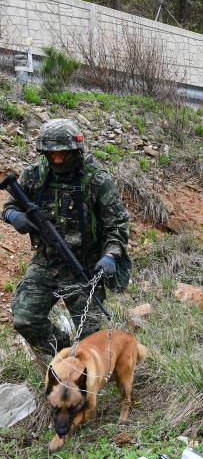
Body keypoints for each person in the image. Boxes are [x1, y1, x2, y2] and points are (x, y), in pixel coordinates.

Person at [3, 119, 130, 358]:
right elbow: (9, 204)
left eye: (63, 154)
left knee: (92, 337)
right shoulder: (36, 174)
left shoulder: (96, 180)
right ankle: (63, 353)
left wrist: (111, 255)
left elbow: (117, 225)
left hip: (83, 267)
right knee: (24, 319)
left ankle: (87, 372)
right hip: (46, 263)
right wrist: (13, 215)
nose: (58, 160)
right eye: (52, 155)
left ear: (75, 151)